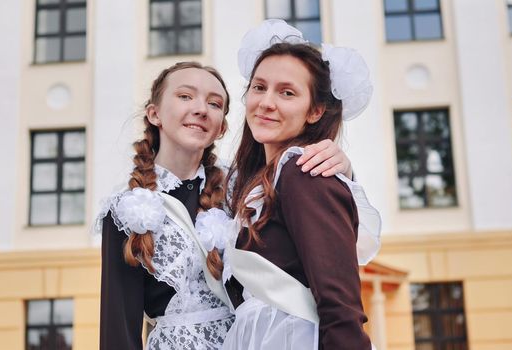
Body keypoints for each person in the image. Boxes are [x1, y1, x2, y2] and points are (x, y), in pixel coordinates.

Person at [98, 60, 357, 350]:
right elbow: (118, 330)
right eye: (185, 96)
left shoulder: (244, 188)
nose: (200, 109)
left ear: (221, 127)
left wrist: (342, 167)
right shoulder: (126, 208)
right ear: (154, 114)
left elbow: (319, 232)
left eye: (214, 103)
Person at [222, 20, 381, 350]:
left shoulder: (303, 171)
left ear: (315, 110)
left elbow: (340, 303)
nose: (266, 102)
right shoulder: (255, 183)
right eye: (259, 87)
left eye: (287, 92)